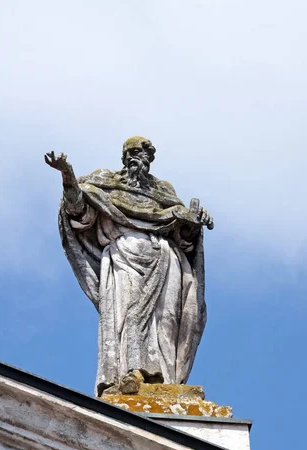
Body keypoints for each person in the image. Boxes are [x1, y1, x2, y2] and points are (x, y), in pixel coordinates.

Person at [45, 137, 213, 396]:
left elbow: (184, 240)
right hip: (124, 258)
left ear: (150, 159)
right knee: (128, 317)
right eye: (132, 152)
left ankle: (165, 383)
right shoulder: (106, 184)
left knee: (166, 324)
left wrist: (192, 223)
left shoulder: (164, 192)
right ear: (123, 157)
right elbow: (80, 213)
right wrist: (68, 176)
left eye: (142, 153)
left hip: (166, 263)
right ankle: (129, 375)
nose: (136, 157)